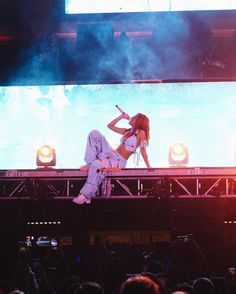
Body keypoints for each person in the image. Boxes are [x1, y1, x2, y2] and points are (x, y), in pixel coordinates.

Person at [73, 112, 151, 204]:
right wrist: (121, 117)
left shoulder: (141, 133)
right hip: (112, 153)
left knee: (97, 164)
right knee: (94, 133)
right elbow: (110, 126)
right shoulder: (128, 131)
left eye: (134, 117)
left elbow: (143, 151)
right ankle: (90, 163)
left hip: (118, 161)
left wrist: (149, 167)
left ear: (139, 121)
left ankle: (86, 195)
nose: (132, 117)